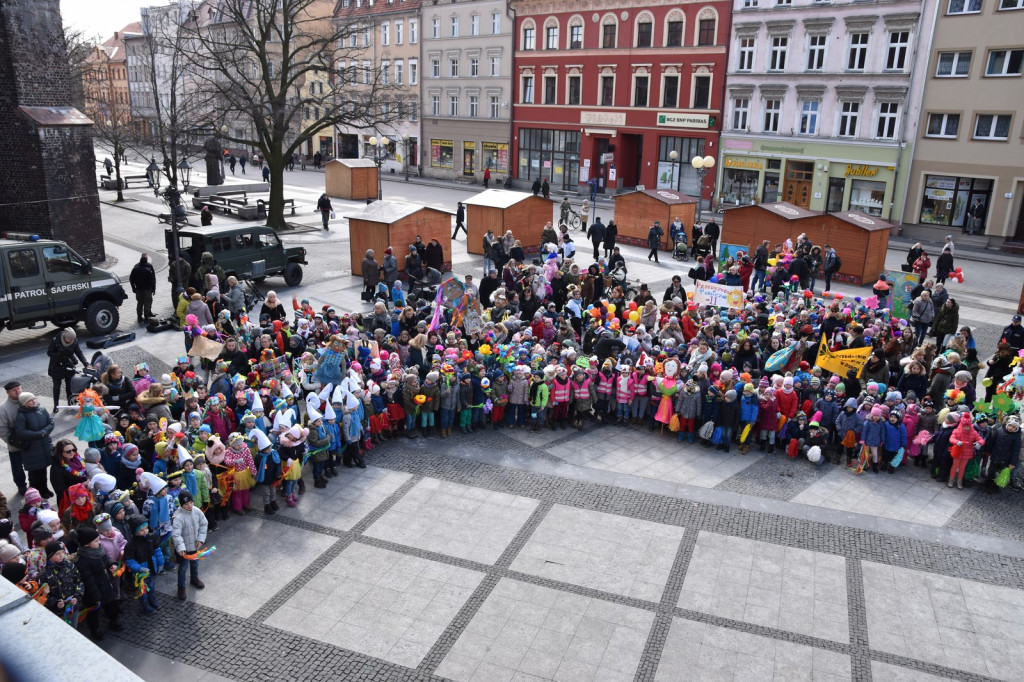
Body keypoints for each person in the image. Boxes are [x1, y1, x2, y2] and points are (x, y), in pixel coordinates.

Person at [14, 393, 55, 498]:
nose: (33, 401)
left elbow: (51, 422)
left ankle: (44, 489)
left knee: (43, 470)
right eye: (30, 400)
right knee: (35, 474)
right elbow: (20, 431)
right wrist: (38, 434)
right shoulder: (21, 415)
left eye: (34, 399)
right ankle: (35, 495)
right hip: (32, 449)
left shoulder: (41, 409)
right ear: (24, 403)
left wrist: (44, 432)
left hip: (44, 445)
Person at [47, 329, 86, 412]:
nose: (71, 341)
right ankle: (56, 405)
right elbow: (49, 353)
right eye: (69, 340)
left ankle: (70, 403)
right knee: (57, 387)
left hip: (68, 365)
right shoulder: (55, 341)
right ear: (65, 337)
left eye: (72, 340)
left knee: (69, 386)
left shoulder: (74, 341)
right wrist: (59, 355)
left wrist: (86, 363)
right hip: (56, 366)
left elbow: (79, 352)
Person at [0, 381, 27, 495]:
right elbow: (2, 429)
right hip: (15, 444)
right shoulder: (4, 408)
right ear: (7, 392)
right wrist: (12, 441)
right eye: (14, 390)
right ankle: (21, 486)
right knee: (17, 468)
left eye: (18, 388)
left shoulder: (27, 400)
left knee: (34, 465)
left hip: (31, 441)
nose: (17, 391)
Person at [129, 254, 157, 324]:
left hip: (138, 289)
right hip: (147, 289)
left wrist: (133, 287)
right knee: (147, 303)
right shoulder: (148, 270)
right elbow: (152, 280)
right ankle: (146, 317)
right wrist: (154, 288)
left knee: (140, 303)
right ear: (146, 261)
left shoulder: (135, 268)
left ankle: (139, 317)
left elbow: (131, 279)